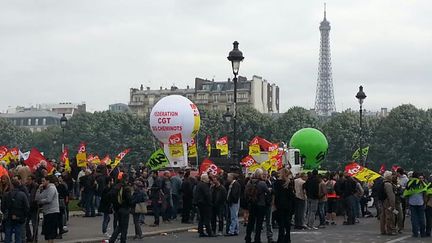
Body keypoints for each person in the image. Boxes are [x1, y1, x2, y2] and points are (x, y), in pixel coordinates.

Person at [2, 177, 29, 243]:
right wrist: (24, 216)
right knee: (18, 235)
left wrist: (5, 213)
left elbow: (2, 207)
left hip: (8, 216)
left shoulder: (6, 194)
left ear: (12, 186)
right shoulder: (22, 194)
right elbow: (27, 206)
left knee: (8, 235)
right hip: (19, 217)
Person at [245, 169, 269, 243]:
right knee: (259, 223)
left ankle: (248, 237)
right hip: (260, 204)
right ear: (260, 175)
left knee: (251, 222)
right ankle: (257, 238)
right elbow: (267, 191)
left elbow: (245, 193)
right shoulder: (262, 183)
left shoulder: (249, 182)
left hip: (252, 204)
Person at [35, 175, 60, 243]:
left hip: (52, 211)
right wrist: (39, 189)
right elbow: (37, 198)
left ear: (48, 181)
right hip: (46, 211)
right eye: (42, 181)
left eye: (43, 181)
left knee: (50, 230)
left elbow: (49, 199)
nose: (42, 183)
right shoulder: (45, 189)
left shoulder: (52, 188)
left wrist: (40, 201)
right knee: (47, 230)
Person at [274, 168, 295, 243]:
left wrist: (275, 204)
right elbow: (292, 195)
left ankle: (281, 238)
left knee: (281, 222)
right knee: (287, 221)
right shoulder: (289, 183)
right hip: (288, 204)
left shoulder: (277, 183)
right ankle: (288, 238)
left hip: (280, 204)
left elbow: (276, 194)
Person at [109, 173, 131, 243]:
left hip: (117, 208)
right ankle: (122, 240)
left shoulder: (116, 186)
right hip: (125, 208)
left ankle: (112, 239)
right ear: (127, 179)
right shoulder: (127, 188)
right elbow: (129, 200)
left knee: (119, 226)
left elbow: (111, 195)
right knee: (124, 227)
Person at [403, 171, 427, 238]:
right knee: (422, 218)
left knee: (414, 219)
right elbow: (425, 191)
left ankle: (415, 233)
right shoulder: (421, 182)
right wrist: (425, 202)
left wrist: (407, 203)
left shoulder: (409, 183)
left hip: (412, 202)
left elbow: (406, 193)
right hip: (420, 202)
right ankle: (423, 233)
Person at [379, 171, 396, 235]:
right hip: (388, 202)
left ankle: (382, 230)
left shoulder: (383, 183)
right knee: (389, 216)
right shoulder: (388, 184)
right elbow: (391, 196)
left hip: (383, 201)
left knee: (383, 216)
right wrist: (392, 205)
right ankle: (389, 230)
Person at [26, 174, 40, 242]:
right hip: (28, 207)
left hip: (34, 207)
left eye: (29, 179)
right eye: (27, 179)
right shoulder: (26, 186)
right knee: (26, 223)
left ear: (33, 180)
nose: (28, 181)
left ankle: (35, 238)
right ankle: (29, 237)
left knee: (35, 224)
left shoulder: (37, 187)